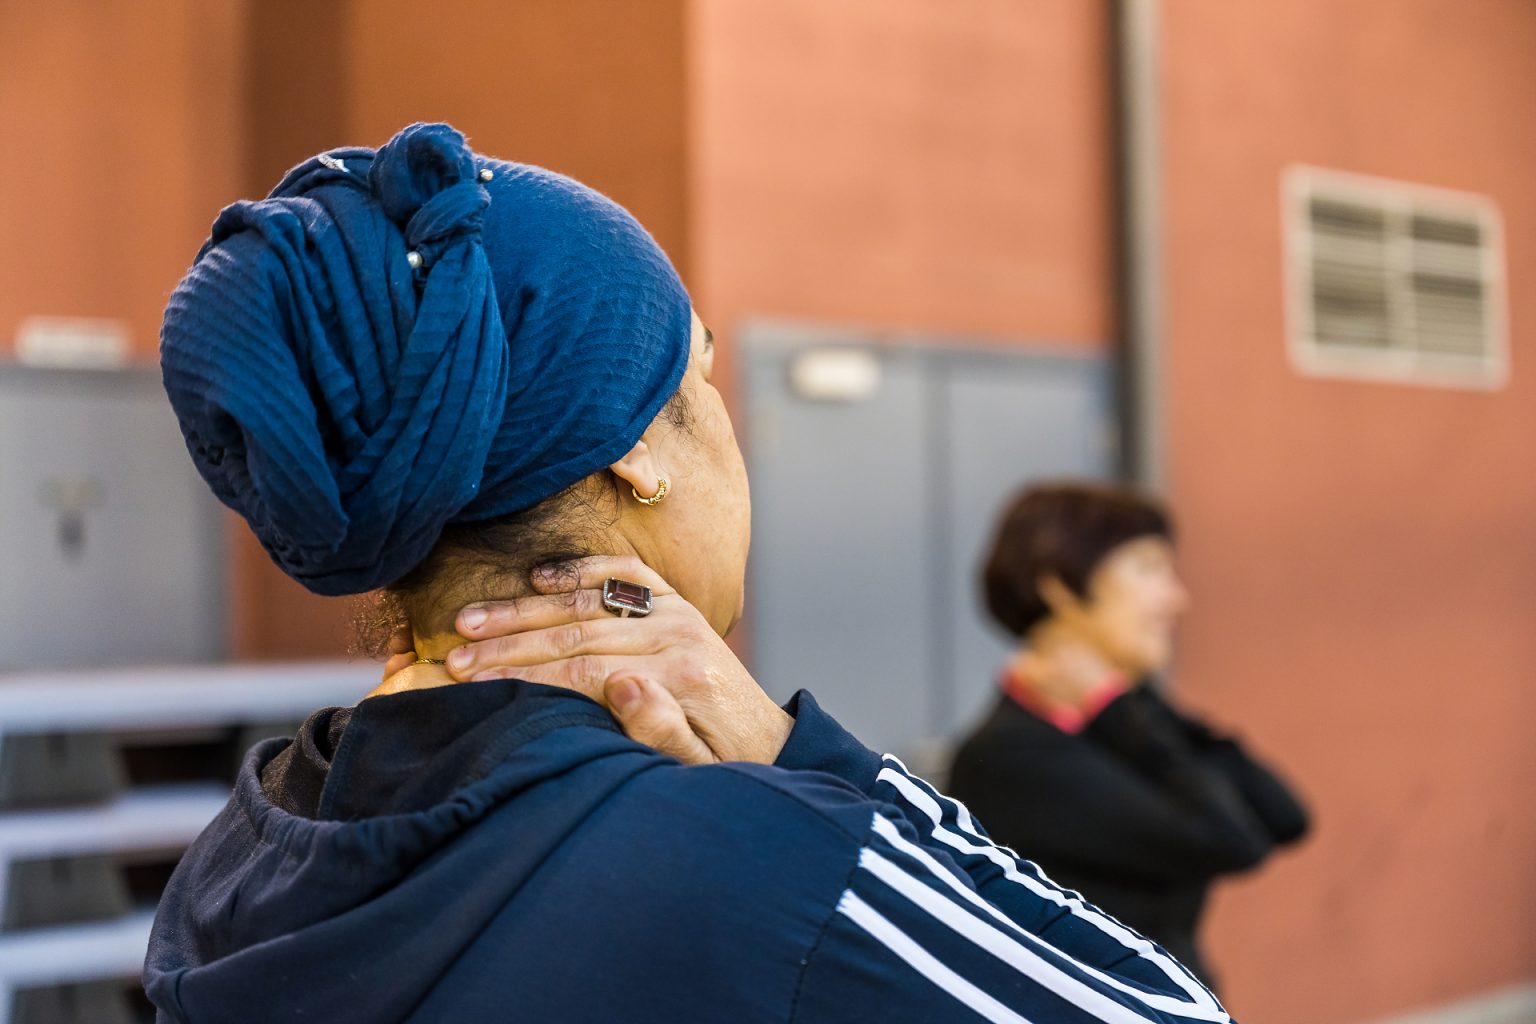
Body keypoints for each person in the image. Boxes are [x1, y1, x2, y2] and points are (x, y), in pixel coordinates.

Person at [146, 122, 1237, 1023]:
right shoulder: (760, 860)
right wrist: (819, 766)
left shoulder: (244, 854)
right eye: (702, 373)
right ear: (636, 449)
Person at [946, 484, 1309, 989]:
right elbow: (1233, 837)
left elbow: (1285, 815)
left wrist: (1126, 704)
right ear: (1062, 589)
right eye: (1147, 568)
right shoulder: (1016, 754)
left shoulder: (1122, 727)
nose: (1177, 598)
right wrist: (1114, 706)